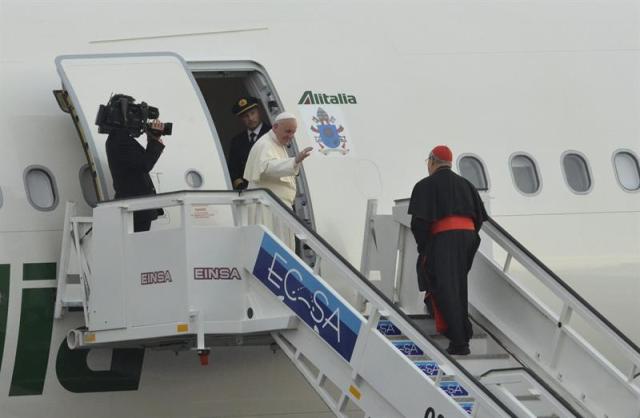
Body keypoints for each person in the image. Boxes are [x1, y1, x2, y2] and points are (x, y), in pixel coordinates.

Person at [408, 145, 487, 355]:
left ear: (433, 161)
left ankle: (459, 341)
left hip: (444, 240)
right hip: (468, 239)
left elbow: (419, 224)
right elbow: (479, 219)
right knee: (457, 286)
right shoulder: (467, 185)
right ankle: (462, 331)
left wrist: (425, 248)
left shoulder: (425, 185)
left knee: (444, 288)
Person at [243, 112, 313, 248]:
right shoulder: (265, 144)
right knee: (272, 250)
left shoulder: (278, 145)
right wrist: (294, 161)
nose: (290, 136)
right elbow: (266, 168)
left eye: (293, 132)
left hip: (277, 209)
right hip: (267, 209)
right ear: (275, 127)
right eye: (288, 131)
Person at [105, 120, 166, 232]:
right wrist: (155, 142)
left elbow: (137, 164)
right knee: (137, 246)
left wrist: (152, 141)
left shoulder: (118, 139)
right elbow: (144, 165)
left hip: (135, 208)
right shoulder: (121, 140)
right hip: (137, 208)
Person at [228, 96, 271, 190]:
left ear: (259, 112)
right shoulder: (237, 141)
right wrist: (241, 186)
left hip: (270, 191)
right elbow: (233, 170)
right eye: (245, 116)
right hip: (247, 192)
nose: (250, 118)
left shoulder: (272, 134)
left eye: (252, 113)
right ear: (241, 119)